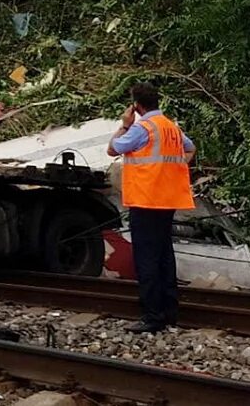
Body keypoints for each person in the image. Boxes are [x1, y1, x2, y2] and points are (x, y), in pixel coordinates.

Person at [107, 83, 196, 334]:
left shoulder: (141, 128)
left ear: (137, 105)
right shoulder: (171, 127)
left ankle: (152, 316)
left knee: (146, 258)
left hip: (146, 200)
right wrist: (173, 169)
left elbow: (112, 149)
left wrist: (125, 124)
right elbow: (190, 149)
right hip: (167, 200)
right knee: (164, 255)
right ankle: (169, 312)